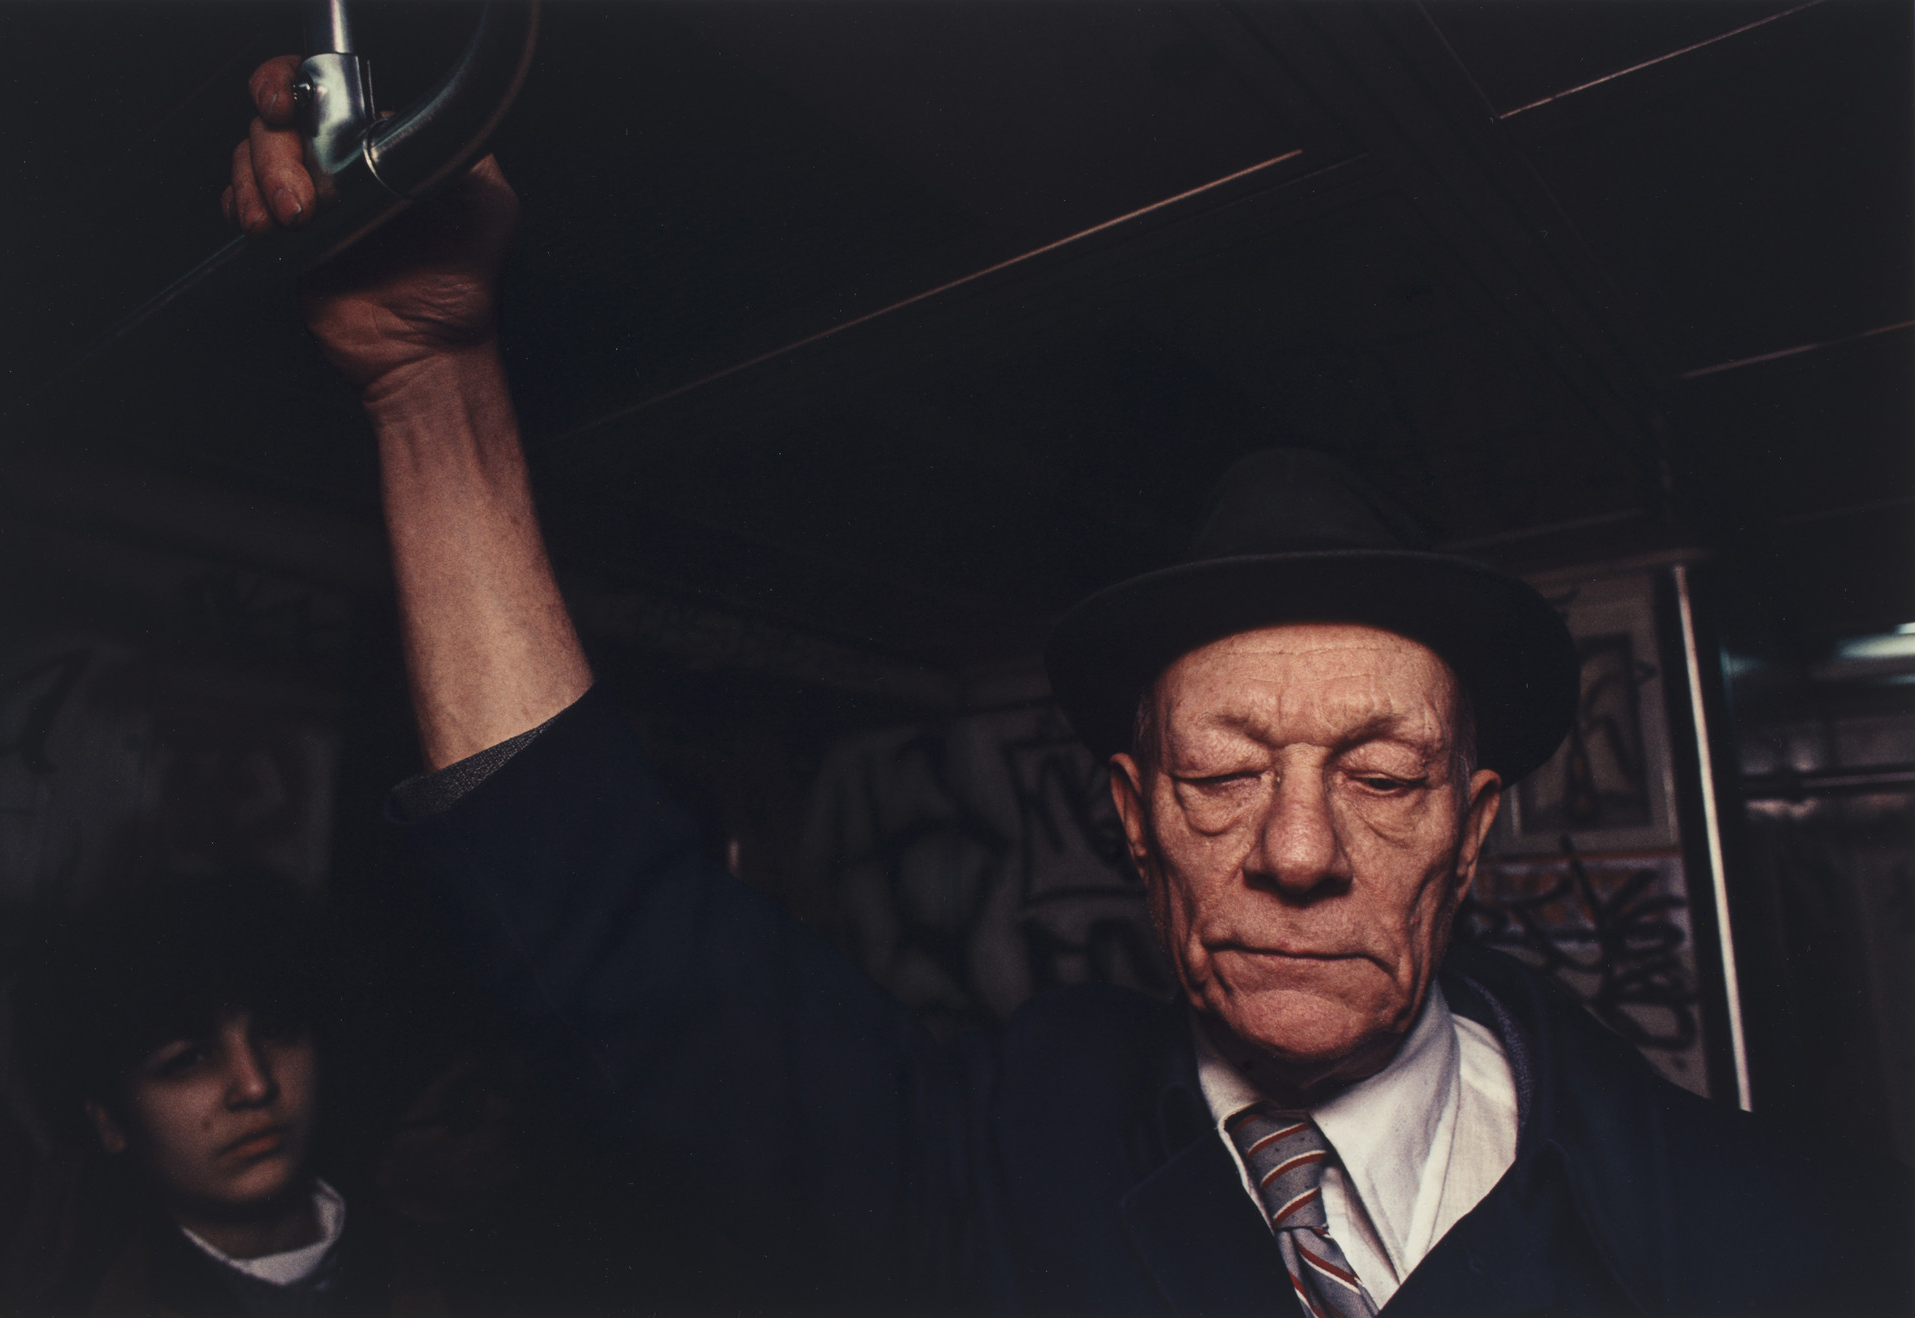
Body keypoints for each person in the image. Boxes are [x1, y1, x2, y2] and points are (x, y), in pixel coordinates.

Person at [222, 53, 1910, 1315]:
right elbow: (617, 940)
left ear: (1475, 833)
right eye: (1225, 771)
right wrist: (428, 389)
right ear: (1129, 815)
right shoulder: (1005, 1149)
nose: (1302, 848)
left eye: (1383, 775)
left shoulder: (1767, 1234)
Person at [13, 873, 445, 1317]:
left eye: (276, 1031)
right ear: (108, 1120)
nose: (256, 1085)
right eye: (188, 1060)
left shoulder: (444, 1258)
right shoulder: (86, 1298)